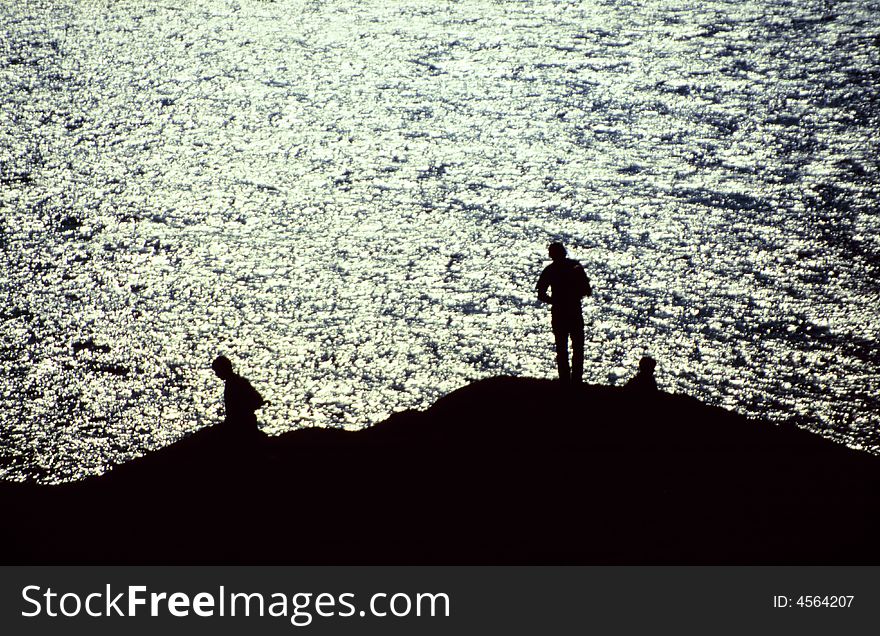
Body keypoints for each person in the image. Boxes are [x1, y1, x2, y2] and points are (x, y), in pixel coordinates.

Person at [536, 242, 592, 384]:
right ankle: (576, 380)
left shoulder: (550, 270)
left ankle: (565, 381)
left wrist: (555, 301)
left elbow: (541, 294)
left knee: (562, 348)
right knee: (577, 347)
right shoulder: (575, 266)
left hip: (560, 312)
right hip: (573, 310)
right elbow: (587, 290)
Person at [211, 355, 265, 429]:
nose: (216, 374)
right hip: (239, 422)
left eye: (217, 371)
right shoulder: (236, 382)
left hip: (241, 424)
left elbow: (256, 400)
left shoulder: (234, 383)